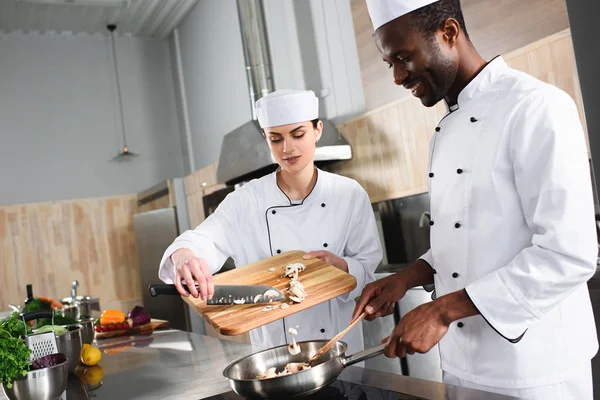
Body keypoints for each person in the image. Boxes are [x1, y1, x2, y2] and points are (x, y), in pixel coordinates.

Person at [352, 0, 598, 398]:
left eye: (402, 57)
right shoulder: (443, 132)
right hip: (463, 365)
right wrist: (409, 277)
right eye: (388, 64)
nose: (397, 76)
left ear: (448, 32)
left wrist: (440, 310)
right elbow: (470, 239)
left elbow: (568, 253)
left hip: (535, 370)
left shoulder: (536, 107)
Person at [158, 89, 382, 354]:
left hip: (340, 349)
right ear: (266, 139)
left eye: (298, 135)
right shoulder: (246, 201)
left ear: (317, 130)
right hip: (275, 357)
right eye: (276, 139)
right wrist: (183, 257)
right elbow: (201, 240)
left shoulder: (349, 194)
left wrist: (341, 266)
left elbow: (368, 267)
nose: (287, 148)